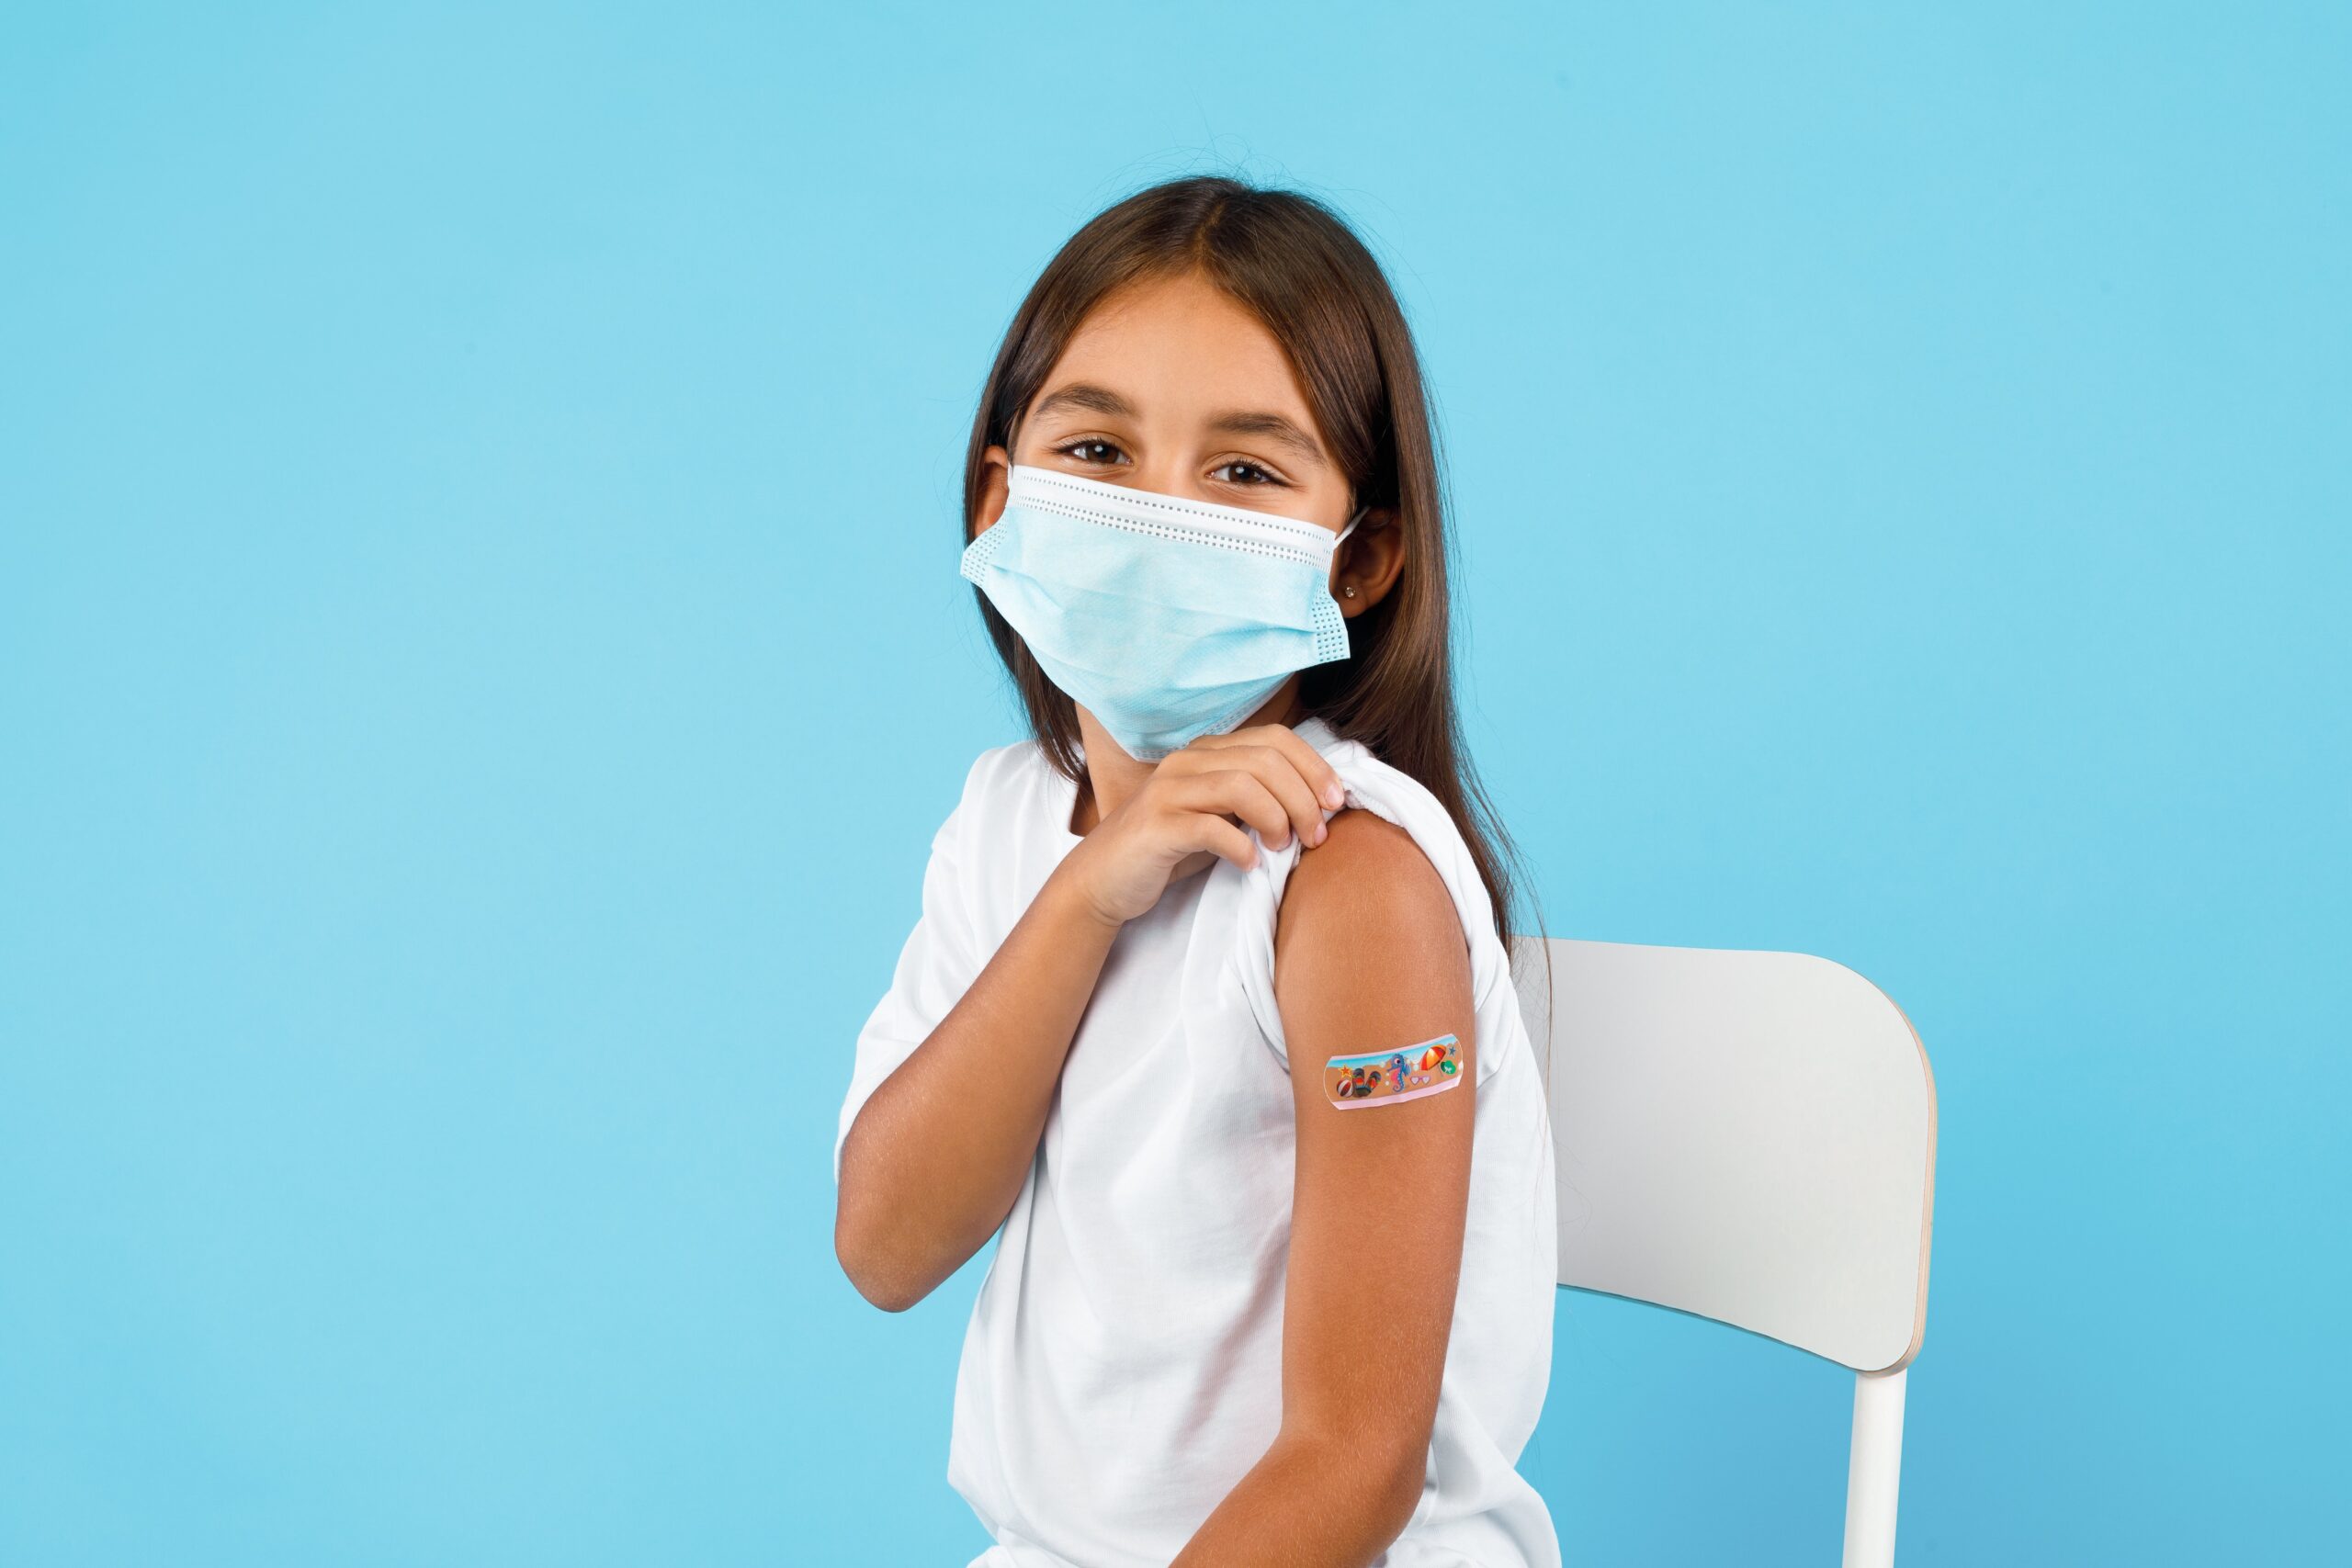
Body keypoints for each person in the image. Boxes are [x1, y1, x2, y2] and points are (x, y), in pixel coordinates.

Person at [831, 173, 1560, 1568]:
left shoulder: (1355, 888)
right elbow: (887, 1245)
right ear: (1001, 495)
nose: (1157, 515)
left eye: (1243, 470)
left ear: (1361, 561)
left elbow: (1353, 1466)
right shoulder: (1004, 825)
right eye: (1097, 450)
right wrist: (1092, 888)